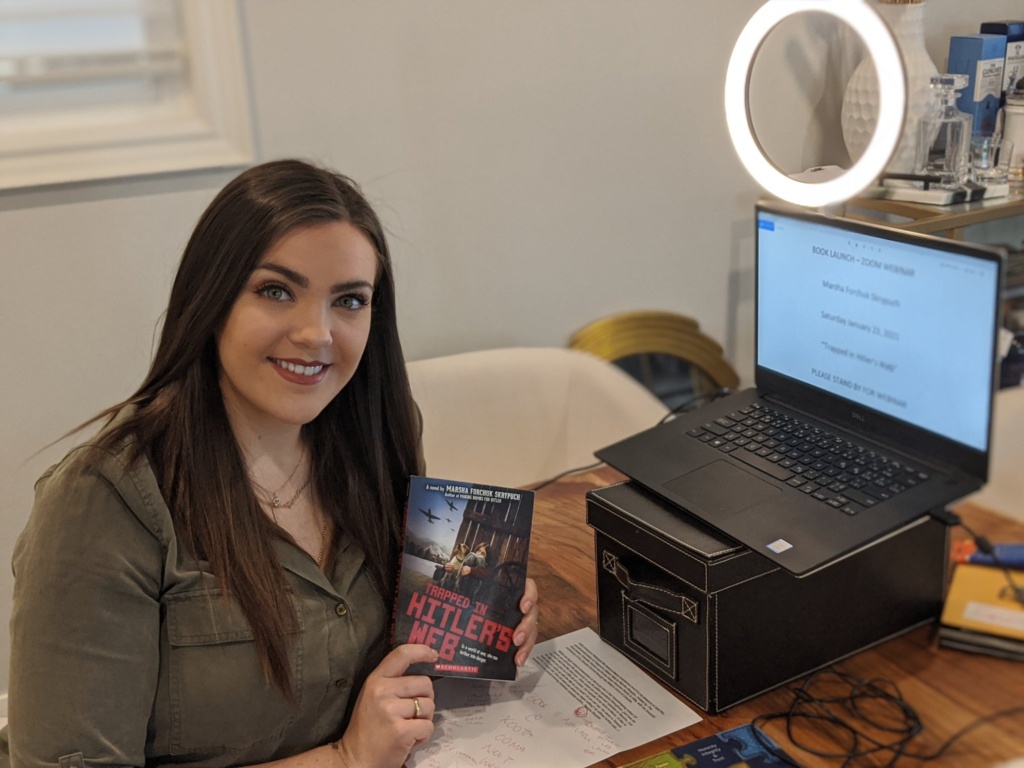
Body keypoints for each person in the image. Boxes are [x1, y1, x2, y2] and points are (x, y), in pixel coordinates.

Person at [0, 159, 539, 768]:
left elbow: (397, 644)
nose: (317, 333)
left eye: (349, 300)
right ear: (212, 299)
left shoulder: (380, 434)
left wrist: (480, 616)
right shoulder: (102, 501)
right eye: (276, 291)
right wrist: (345, 759)